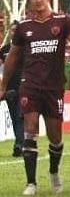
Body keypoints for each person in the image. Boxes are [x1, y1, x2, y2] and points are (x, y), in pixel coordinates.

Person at [0, 0, 70, 196]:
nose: (38, 0)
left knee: (55, 136)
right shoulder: (23, 27)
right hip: (29, 85)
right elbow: (12, 57)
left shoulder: (62, 22)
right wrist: (2, 85)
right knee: (30, 131)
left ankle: (54, 172)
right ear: (29, 0)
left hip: (54, 87)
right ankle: (31, 183)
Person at [0, 21, 23, 158]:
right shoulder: (4, 49)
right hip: (9, 88)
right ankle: (20, 142)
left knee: (20, 116)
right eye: (13, 30)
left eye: (16, 30)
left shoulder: (26, 48)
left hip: (25, 87)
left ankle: (19, 144)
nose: (14, 32)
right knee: (14, 117)